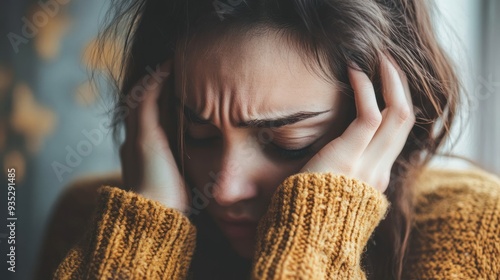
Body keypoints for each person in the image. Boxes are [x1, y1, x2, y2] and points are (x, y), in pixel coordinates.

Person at [42, 0, 499, 279]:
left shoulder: (476, 231)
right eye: (197, 134)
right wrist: (140, 238)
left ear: (383, 124)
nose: (223, 189)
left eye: (288, 143)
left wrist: (321, 223)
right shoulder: (92, 221)